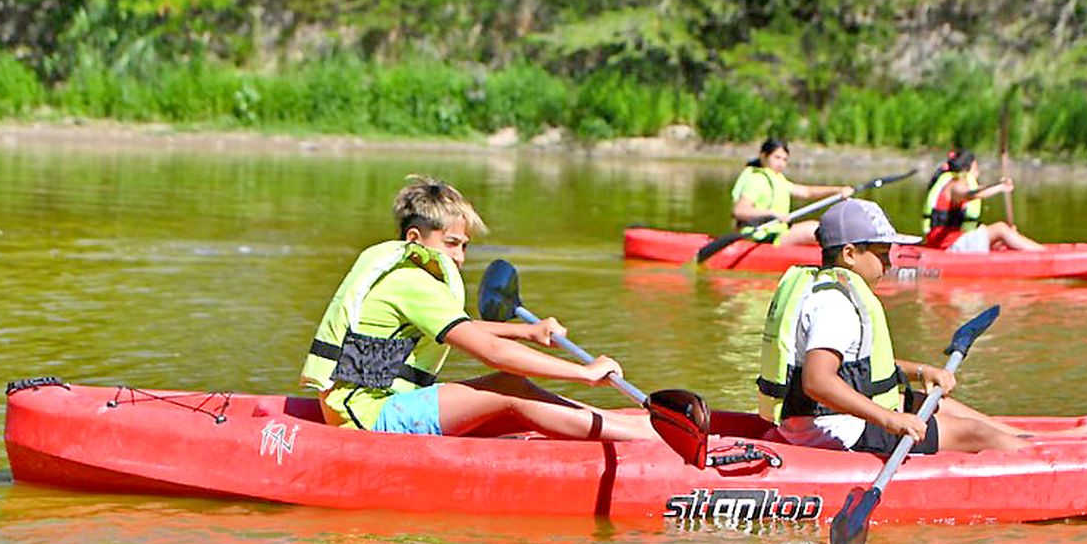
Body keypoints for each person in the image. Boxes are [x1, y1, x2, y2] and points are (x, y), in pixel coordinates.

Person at [299, 175, 657, 441]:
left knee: (514, 399)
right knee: (510, 386)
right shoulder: (411, 282)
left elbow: (465, 328)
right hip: (366, 419)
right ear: (415, 238)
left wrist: (527, 331)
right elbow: (493, 352)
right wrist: (584, 372)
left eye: (464, 245)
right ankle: (643, 438)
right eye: (451, 243)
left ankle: (636, 429)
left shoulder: (410, 276)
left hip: (378, 408)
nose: (458, 256)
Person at [756, 199, 1087, 454]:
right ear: (848, 253)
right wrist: (889, 419)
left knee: (932, 403)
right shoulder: (835, 304)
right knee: (974, 436)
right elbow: (817, 381)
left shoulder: (830, 290)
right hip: (833, 431)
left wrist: (920, 370)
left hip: (825, 421)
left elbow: (853, 369)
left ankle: (1030, 440)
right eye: (882, 254)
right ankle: (1048, 458)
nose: (889, 264)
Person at [730, 139, 852, 247]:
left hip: (777, 232)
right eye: (777, 158)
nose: (781, 163)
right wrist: (773, 214)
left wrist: (838, 190)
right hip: (759, 236)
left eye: (785, 159)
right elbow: (739, 211)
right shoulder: (756, 179)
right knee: (814, 229)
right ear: (763, 156)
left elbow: (807, 192)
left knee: (822, 230)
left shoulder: (778, 179)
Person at [921, 149, 1044, 253]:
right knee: (1001, 229)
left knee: (999, 239)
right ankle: (1044, 255)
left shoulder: (953, 182)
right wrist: (1000, 187)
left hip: (953, 242)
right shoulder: (955, 186)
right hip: (948, 247)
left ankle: (1030, 252)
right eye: (976, 168)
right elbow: (973, 194)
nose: (978, 172)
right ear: (967, 169)